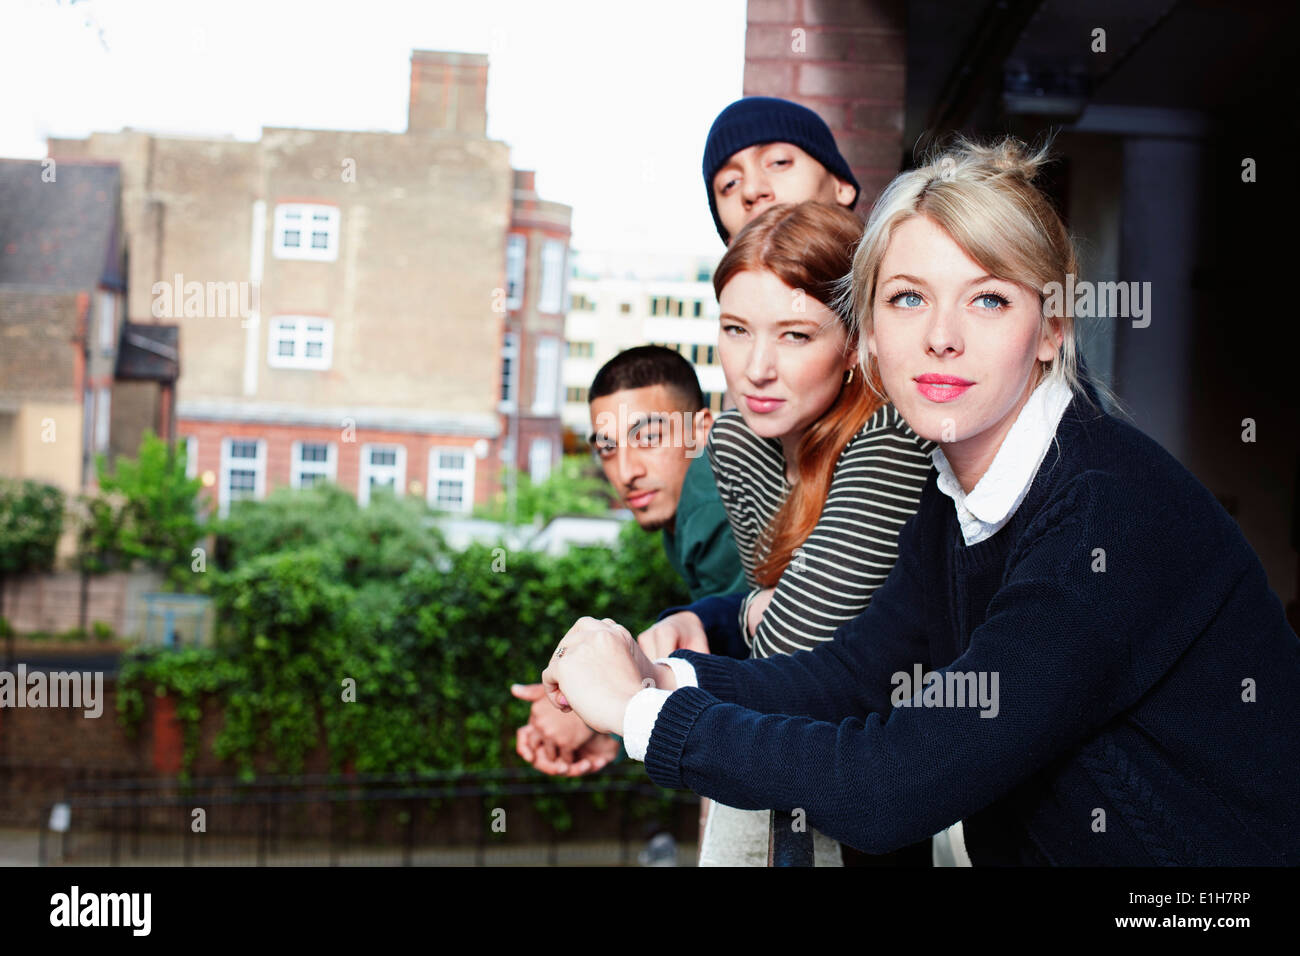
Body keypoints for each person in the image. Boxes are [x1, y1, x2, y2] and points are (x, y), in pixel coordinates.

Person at [538, 136, 1300, 865]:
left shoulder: (1104, 516)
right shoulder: (954, 498)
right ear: (867, 335)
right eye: (907, 298)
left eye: (990, 300)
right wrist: (652, 673)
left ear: (1051, 328)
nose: (941, 336)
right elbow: (851, 679)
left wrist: (640, 716)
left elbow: (894, 785)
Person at [636, 201, 935, 866]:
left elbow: (793, 647)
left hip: (908, 779)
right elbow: (775, 631)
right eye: (737, 330)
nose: (755, 369)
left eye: (795, 335)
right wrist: (715, 620)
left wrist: (643, 686)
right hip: (807, 760)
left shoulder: (893, 437)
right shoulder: (741, 440)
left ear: (857, 342)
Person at [511, 346, 745, 776]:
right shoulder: (683, 514)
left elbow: (742, 656)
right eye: (607, 448)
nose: (625, 471)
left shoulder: (706, 503)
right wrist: (598, 719)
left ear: (701, 431)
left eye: (649, 437)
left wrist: (589, 701)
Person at [704, 96, 860, 246]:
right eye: (730, 183)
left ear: (841, 186)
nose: (751, 191)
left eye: (779, 162)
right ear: (728, 238)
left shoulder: (882, 269)